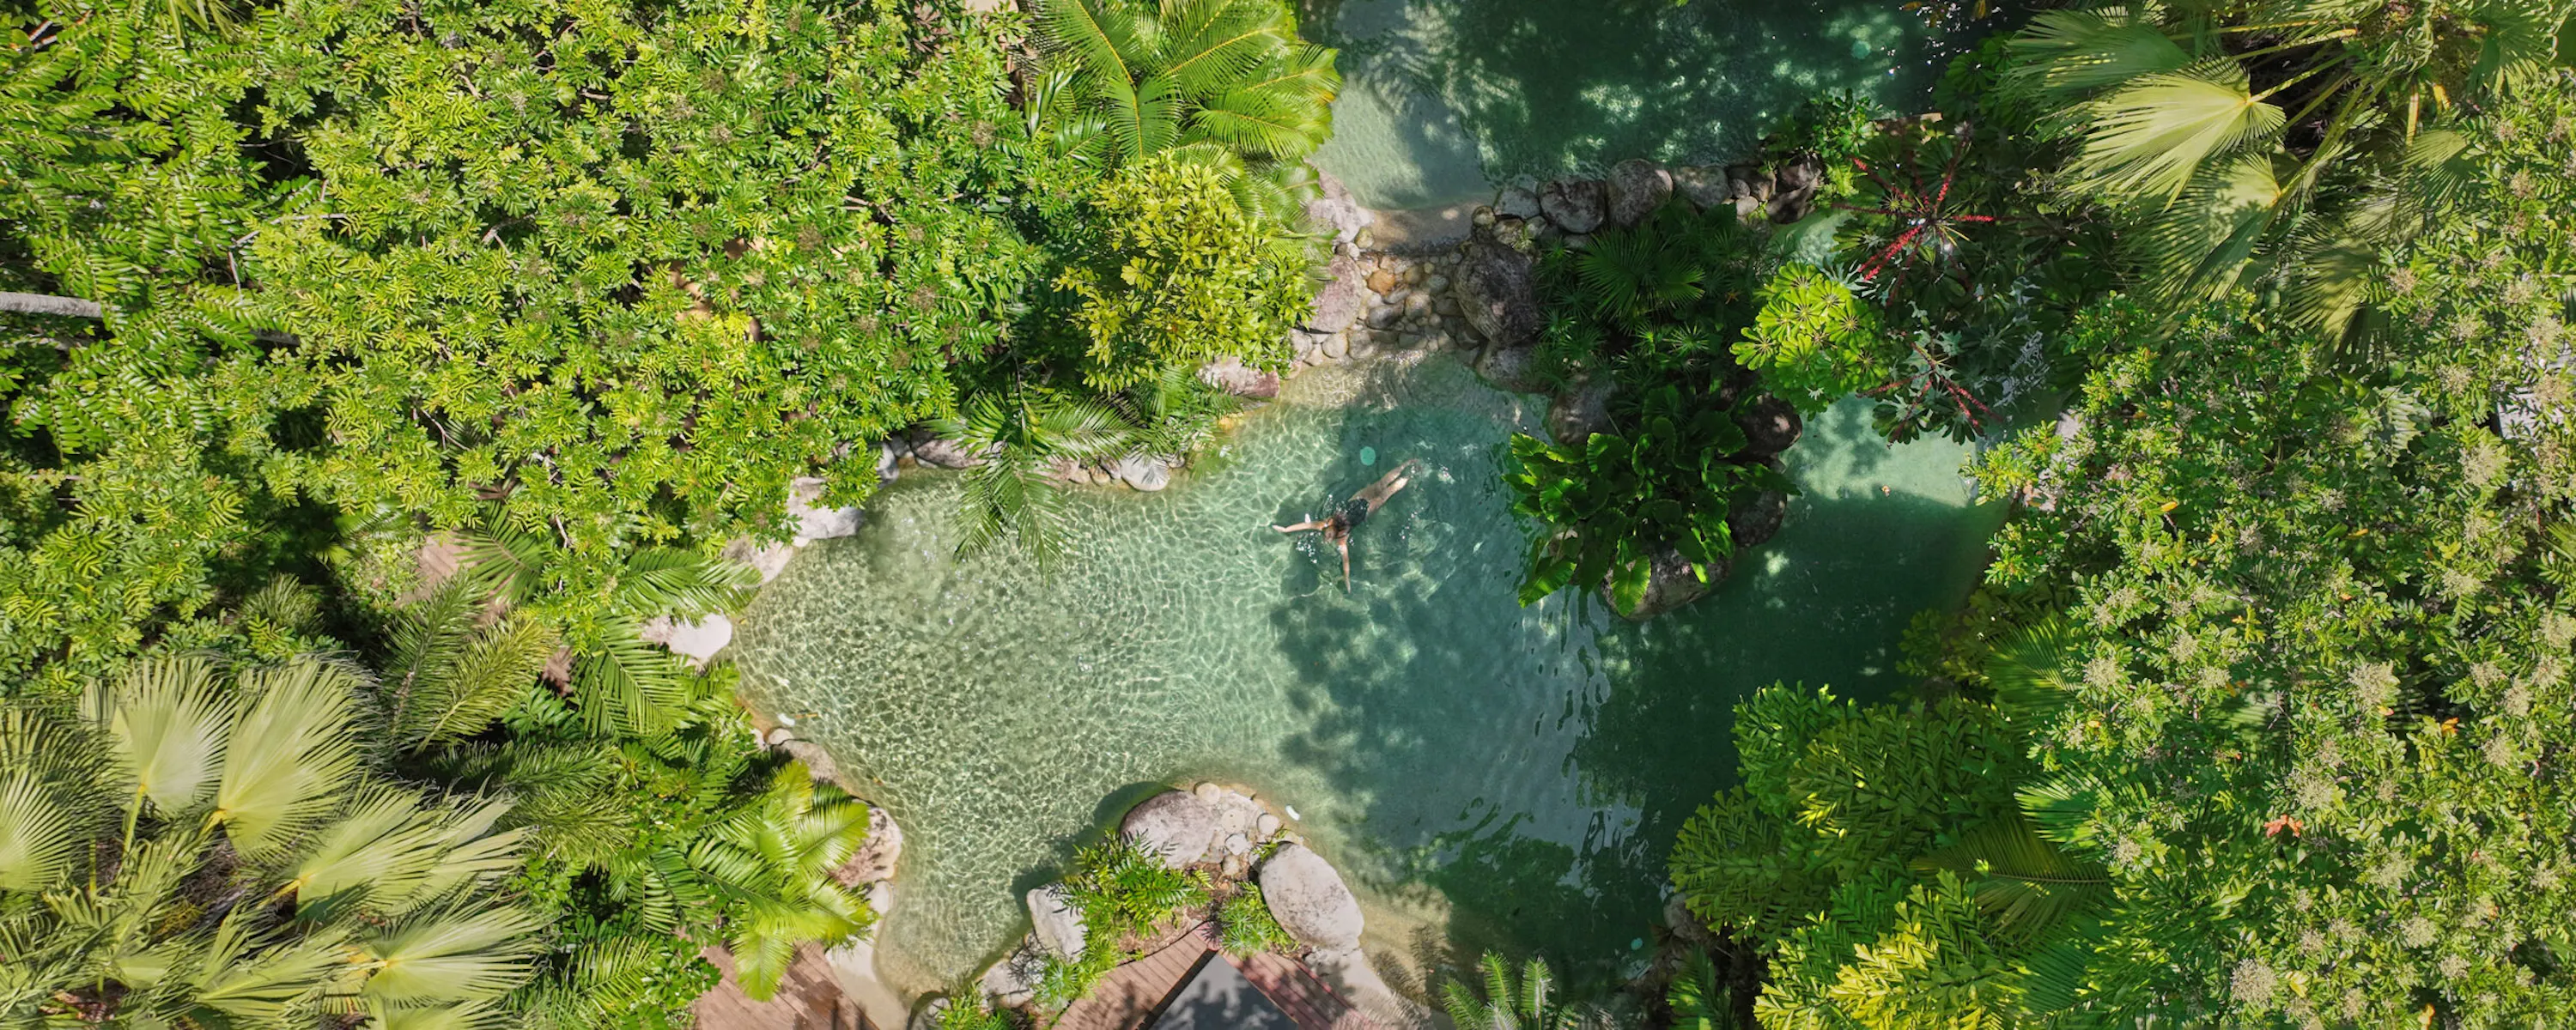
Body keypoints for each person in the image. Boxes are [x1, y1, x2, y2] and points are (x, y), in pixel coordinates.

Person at [1273, 458, 1423, 587]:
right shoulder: (1325, 524)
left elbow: (1346, 563)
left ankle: (1409, 475)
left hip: (1366, 510)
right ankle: (1407, 464)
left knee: (1386, 494)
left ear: (1327, 531)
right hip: (1358, 499)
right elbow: (1305, 526)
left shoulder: (1340, 538)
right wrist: (1286, 529)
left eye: (1327, 537)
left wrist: (1286, 530)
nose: (1327, 539)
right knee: (1381, 484)